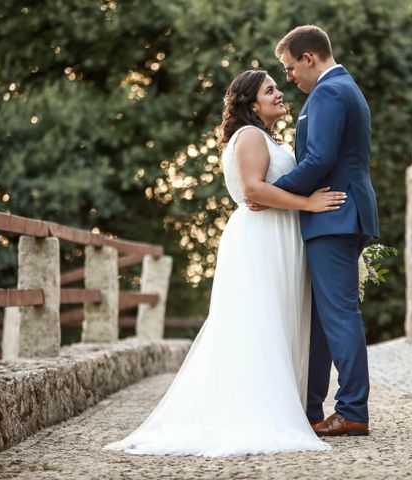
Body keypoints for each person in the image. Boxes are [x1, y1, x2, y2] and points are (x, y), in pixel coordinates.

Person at [103, 69, 345, 456]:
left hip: (278, 234)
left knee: (275, 318)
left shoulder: (263, 136)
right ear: (252, 104)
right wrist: (308, 203)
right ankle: (259, 410)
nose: (279, 94)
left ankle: (282, 403)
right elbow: (253, 189)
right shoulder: (249, 136)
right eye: (270, 90)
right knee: (260, 319)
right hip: (263, 237)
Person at [261, 25, 379, 436]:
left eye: (291, 68)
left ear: (309, 58)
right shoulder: (341, 88)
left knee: (339, 313)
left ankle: (353, 410)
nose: (289, 78)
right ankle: (312, 407)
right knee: (324, 317)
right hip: (337, 215)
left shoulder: (329, 91)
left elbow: (319, 159)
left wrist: (270, 193)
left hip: (334, 214)